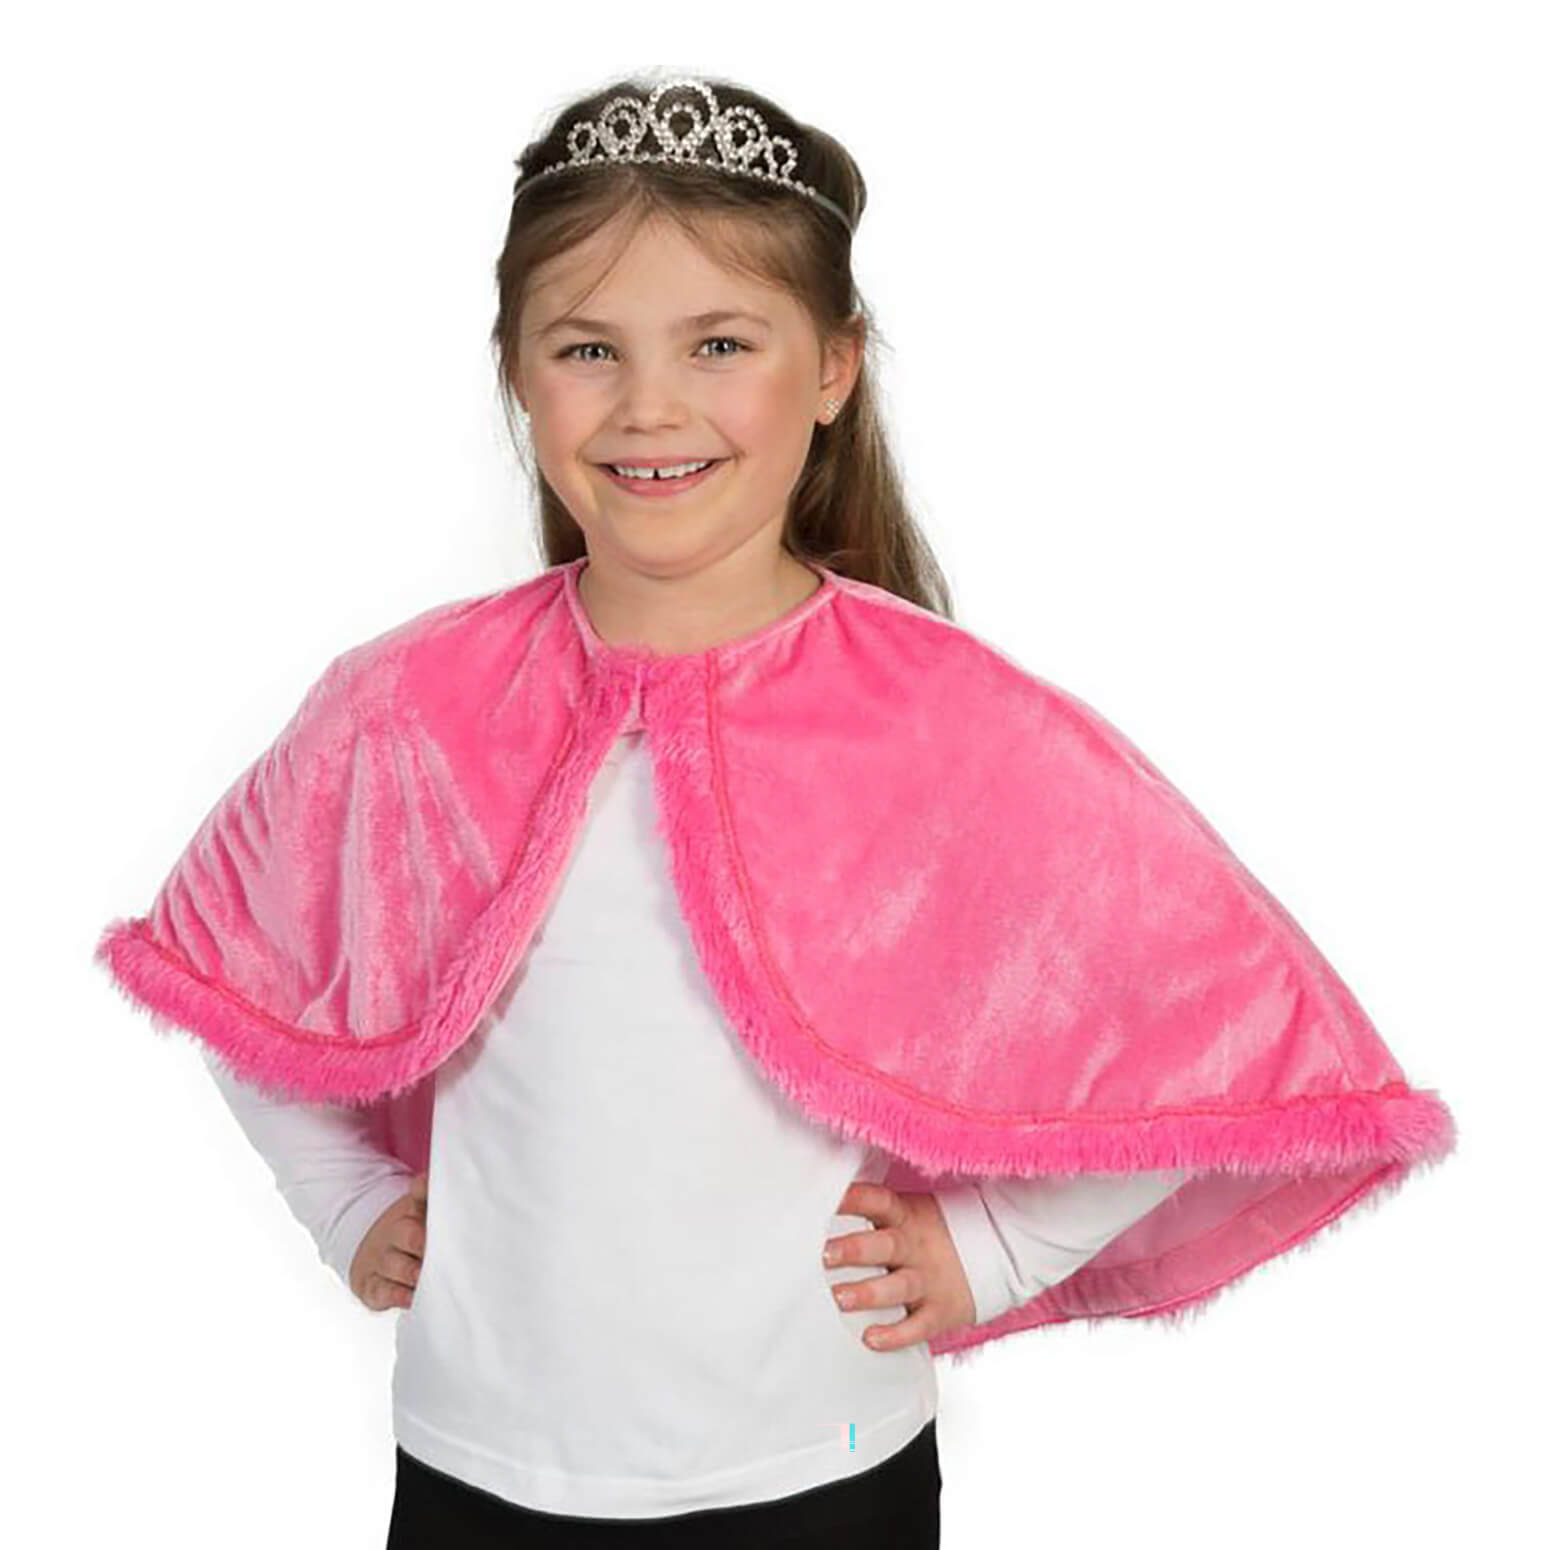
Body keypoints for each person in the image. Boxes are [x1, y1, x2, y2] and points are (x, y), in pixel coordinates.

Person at [98, 69, 1453, 1549]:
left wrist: (998, 1248)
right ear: (517, 373)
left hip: (826, 1472)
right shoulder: (411, 705)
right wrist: (343, 1200)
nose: (650, 405)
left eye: (721, 343)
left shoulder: (945, 720)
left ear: (831, 369)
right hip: (481, 1467)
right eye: (588, 348)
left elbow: (1202, 1024)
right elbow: (230, 962)